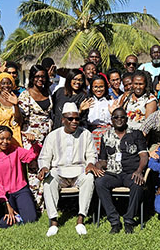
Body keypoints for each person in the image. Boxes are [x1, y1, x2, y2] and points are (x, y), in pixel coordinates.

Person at [37, 103, 102, 236]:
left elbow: (92, 154)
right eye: (70, 119)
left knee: (89, 178)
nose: (74, 121)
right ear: (63, 120)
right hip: (59, 171)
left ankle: (80, 220)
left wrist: (90, 163)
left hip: (79, 170)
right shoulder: (53, 136)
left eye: (77, 119)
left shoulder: (86, 134)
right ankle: (53, 222)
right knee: (49, 180)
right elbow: (44, 157)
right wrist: (44, 167)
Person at [95, 108, 149, 233]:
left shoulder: (136, 134)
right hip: (112, 173)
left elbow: (144, 155)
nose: (119, 120)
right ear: (111, 120)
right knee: (100, 183)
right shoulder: (106, 136)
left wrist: (140, 170)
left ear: (126, 119)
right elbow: (103, 159)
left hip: (131, 172)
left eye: (122, 117)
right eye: (116, 117)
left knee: (137, 183)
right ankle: (114, 221)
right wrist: (97, 166)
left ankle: (129, 220)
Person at [0, 126, 40, 228]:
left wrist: (34, 143)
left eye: (8, 139)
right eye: (2, 138)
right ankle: (18, 217)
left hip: (20, 189)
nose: (5, 142)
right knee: (3, 223)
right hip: (2, 194)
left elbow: (31, 156)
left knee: (31, 219)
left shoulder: (15, 150)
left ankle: (20, 216)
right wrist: (6, 203)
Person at [19, 65, 53, 209]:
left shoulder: (48, 92)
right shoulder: (25, 95)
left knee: (46, 167)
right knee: (33, 170)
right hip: (31, 136)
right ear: (32, 78)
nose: (40, 79)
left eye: (43, 76)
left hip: (48, 135)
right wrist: (24, 134)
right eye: (37, 76)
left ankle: (45, 202)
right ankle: (34, 205)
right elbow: (18, 119)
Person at [86, 75, 113, 151]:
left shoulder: (110, 102)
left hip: (107, 134)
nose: (98, 89)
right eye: (95, 87)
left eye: (101, 87)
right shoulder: (87, 102)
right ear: (91, 88)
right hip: (91, 134)